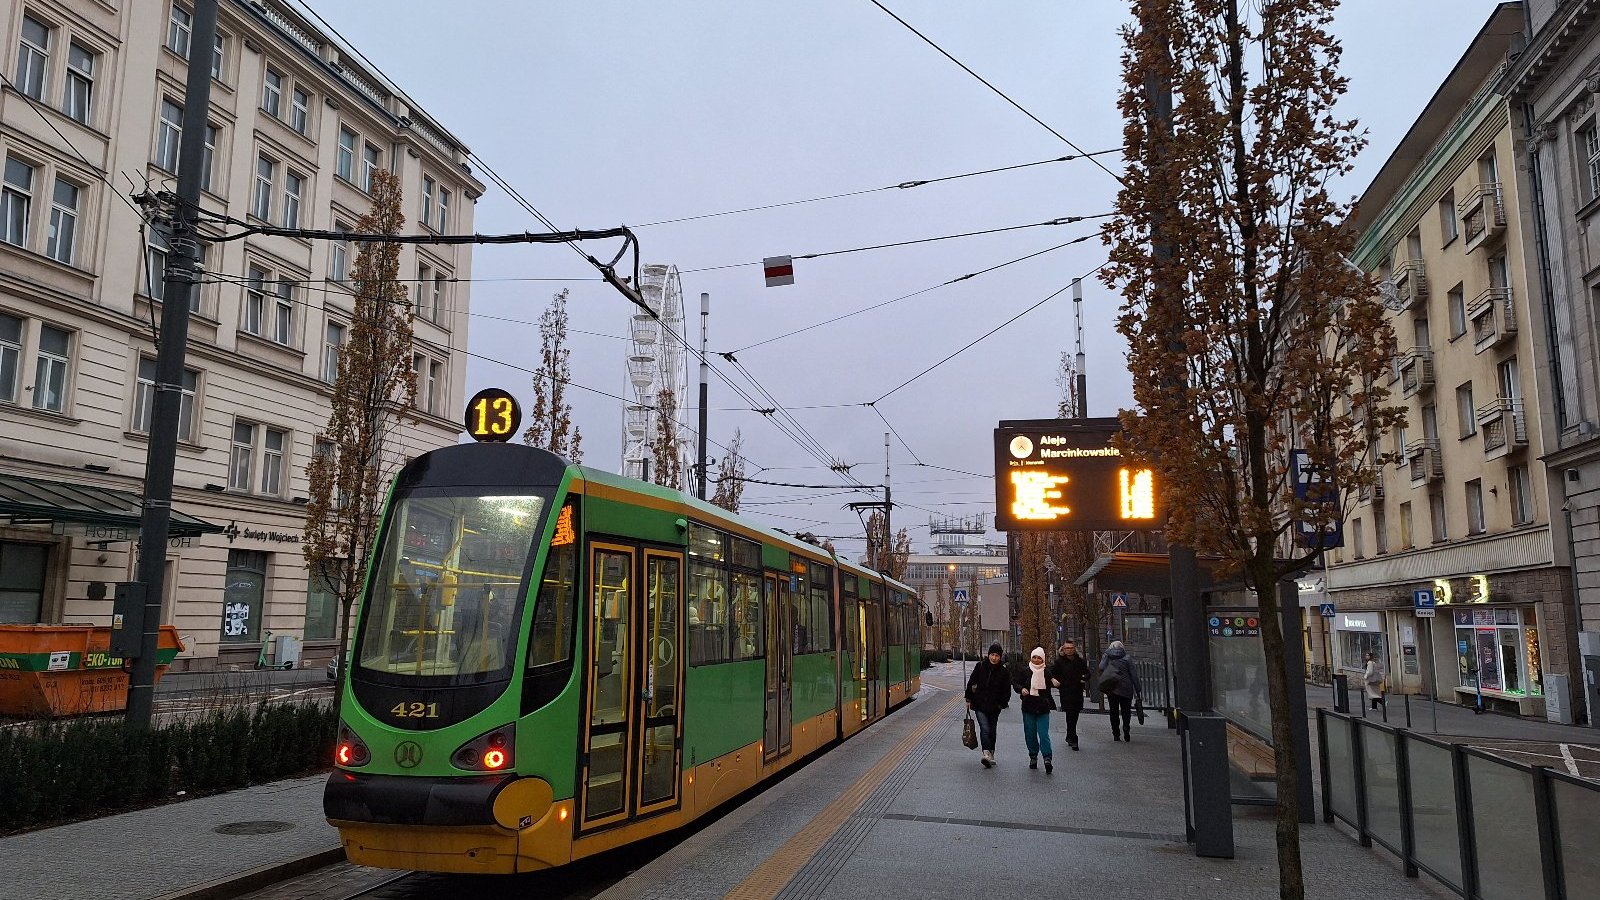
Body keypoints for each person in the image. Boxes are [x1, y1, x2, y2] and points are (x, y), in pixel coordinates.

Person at [965, 643, 1012, 768]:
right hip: (979, 704)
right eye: (992, 655)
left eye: (997, 655)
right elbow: (972, 682)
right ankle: (986, 753)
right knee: (984, 728)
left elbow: (1007, 690)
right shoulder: (980, 666)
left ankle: (991, 753)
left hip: (994, 707)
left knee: (992, 730)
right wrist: (968, 698)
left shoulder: (1004, 672)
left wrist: (1001, 704)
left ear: (1000, 657)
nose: (994, 658)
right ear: (988, 655)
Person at [1014, 647, 1056, 772]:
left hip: (1043, 707)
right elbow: (1015, 683)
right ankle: (1033, 755)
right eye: (1034, 657)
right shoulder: (1025, 671)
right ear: (1031, 658)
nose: (1037, 660)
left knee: (1043, 734)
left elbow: (1058, 676)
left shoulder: (1047, 673)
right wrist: (1021, 689)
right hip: (1028, 706)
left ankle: (1047, 758)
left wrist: (1055, 681)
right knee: (1030, 733)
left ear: (1043, 659)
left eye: (1039, 658)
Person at [1048, 640, 1090, 751]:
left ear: (1074, 649)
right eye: (1067, 648)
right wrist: (1055, 681)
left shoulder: (1080, 661)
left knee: (1074, 714)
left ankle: (1069, 735)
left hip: (1077, 691)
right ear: (1063, 649)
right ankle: (1073, 738)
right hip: (1065, 691)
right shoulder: (1059, 662)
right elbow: (1051, 673)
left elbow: (1087, 673)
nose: (1069, 650)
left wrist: (1084, 678)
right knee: (1070, 714)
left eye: (1071, 648)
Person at [1098, 640, 1143, 742]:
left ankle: (1116, 733)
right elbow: (1134, 675)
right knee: (1126, 711)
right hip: (1126, 689)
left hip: (1112, 688)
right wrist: (1138, 689)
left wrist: (1106, 655)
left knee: (1113, 711)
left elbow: (1101, 667)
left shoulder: (1108, 656)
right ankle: (1126, 729)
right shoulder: (1127, 658)